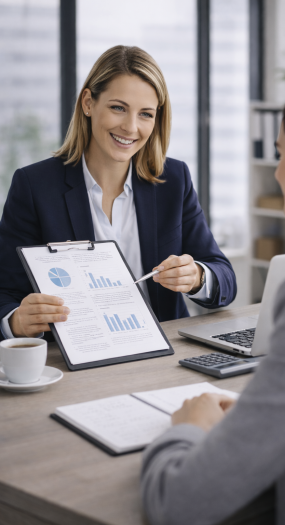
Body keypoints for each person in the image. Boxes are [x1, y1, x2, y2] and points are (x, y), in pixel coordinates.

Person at [140, 73, 285, 525]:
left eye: (280, 153)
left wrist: (187, 430)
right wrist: (267, 416)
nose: (275, 171)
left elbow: (179, 503)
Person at [0, 45, 236, 340]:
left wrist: (198, 277)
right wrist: (16, 321)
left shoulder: (174, 180)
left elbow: (224, 278)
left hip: (162, 355)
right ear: (88, 103)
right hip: (77, 359)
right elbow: (5, 292)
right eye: (118, 108)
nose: (131, 127)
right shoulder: (34, 185)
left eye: (146, 114)